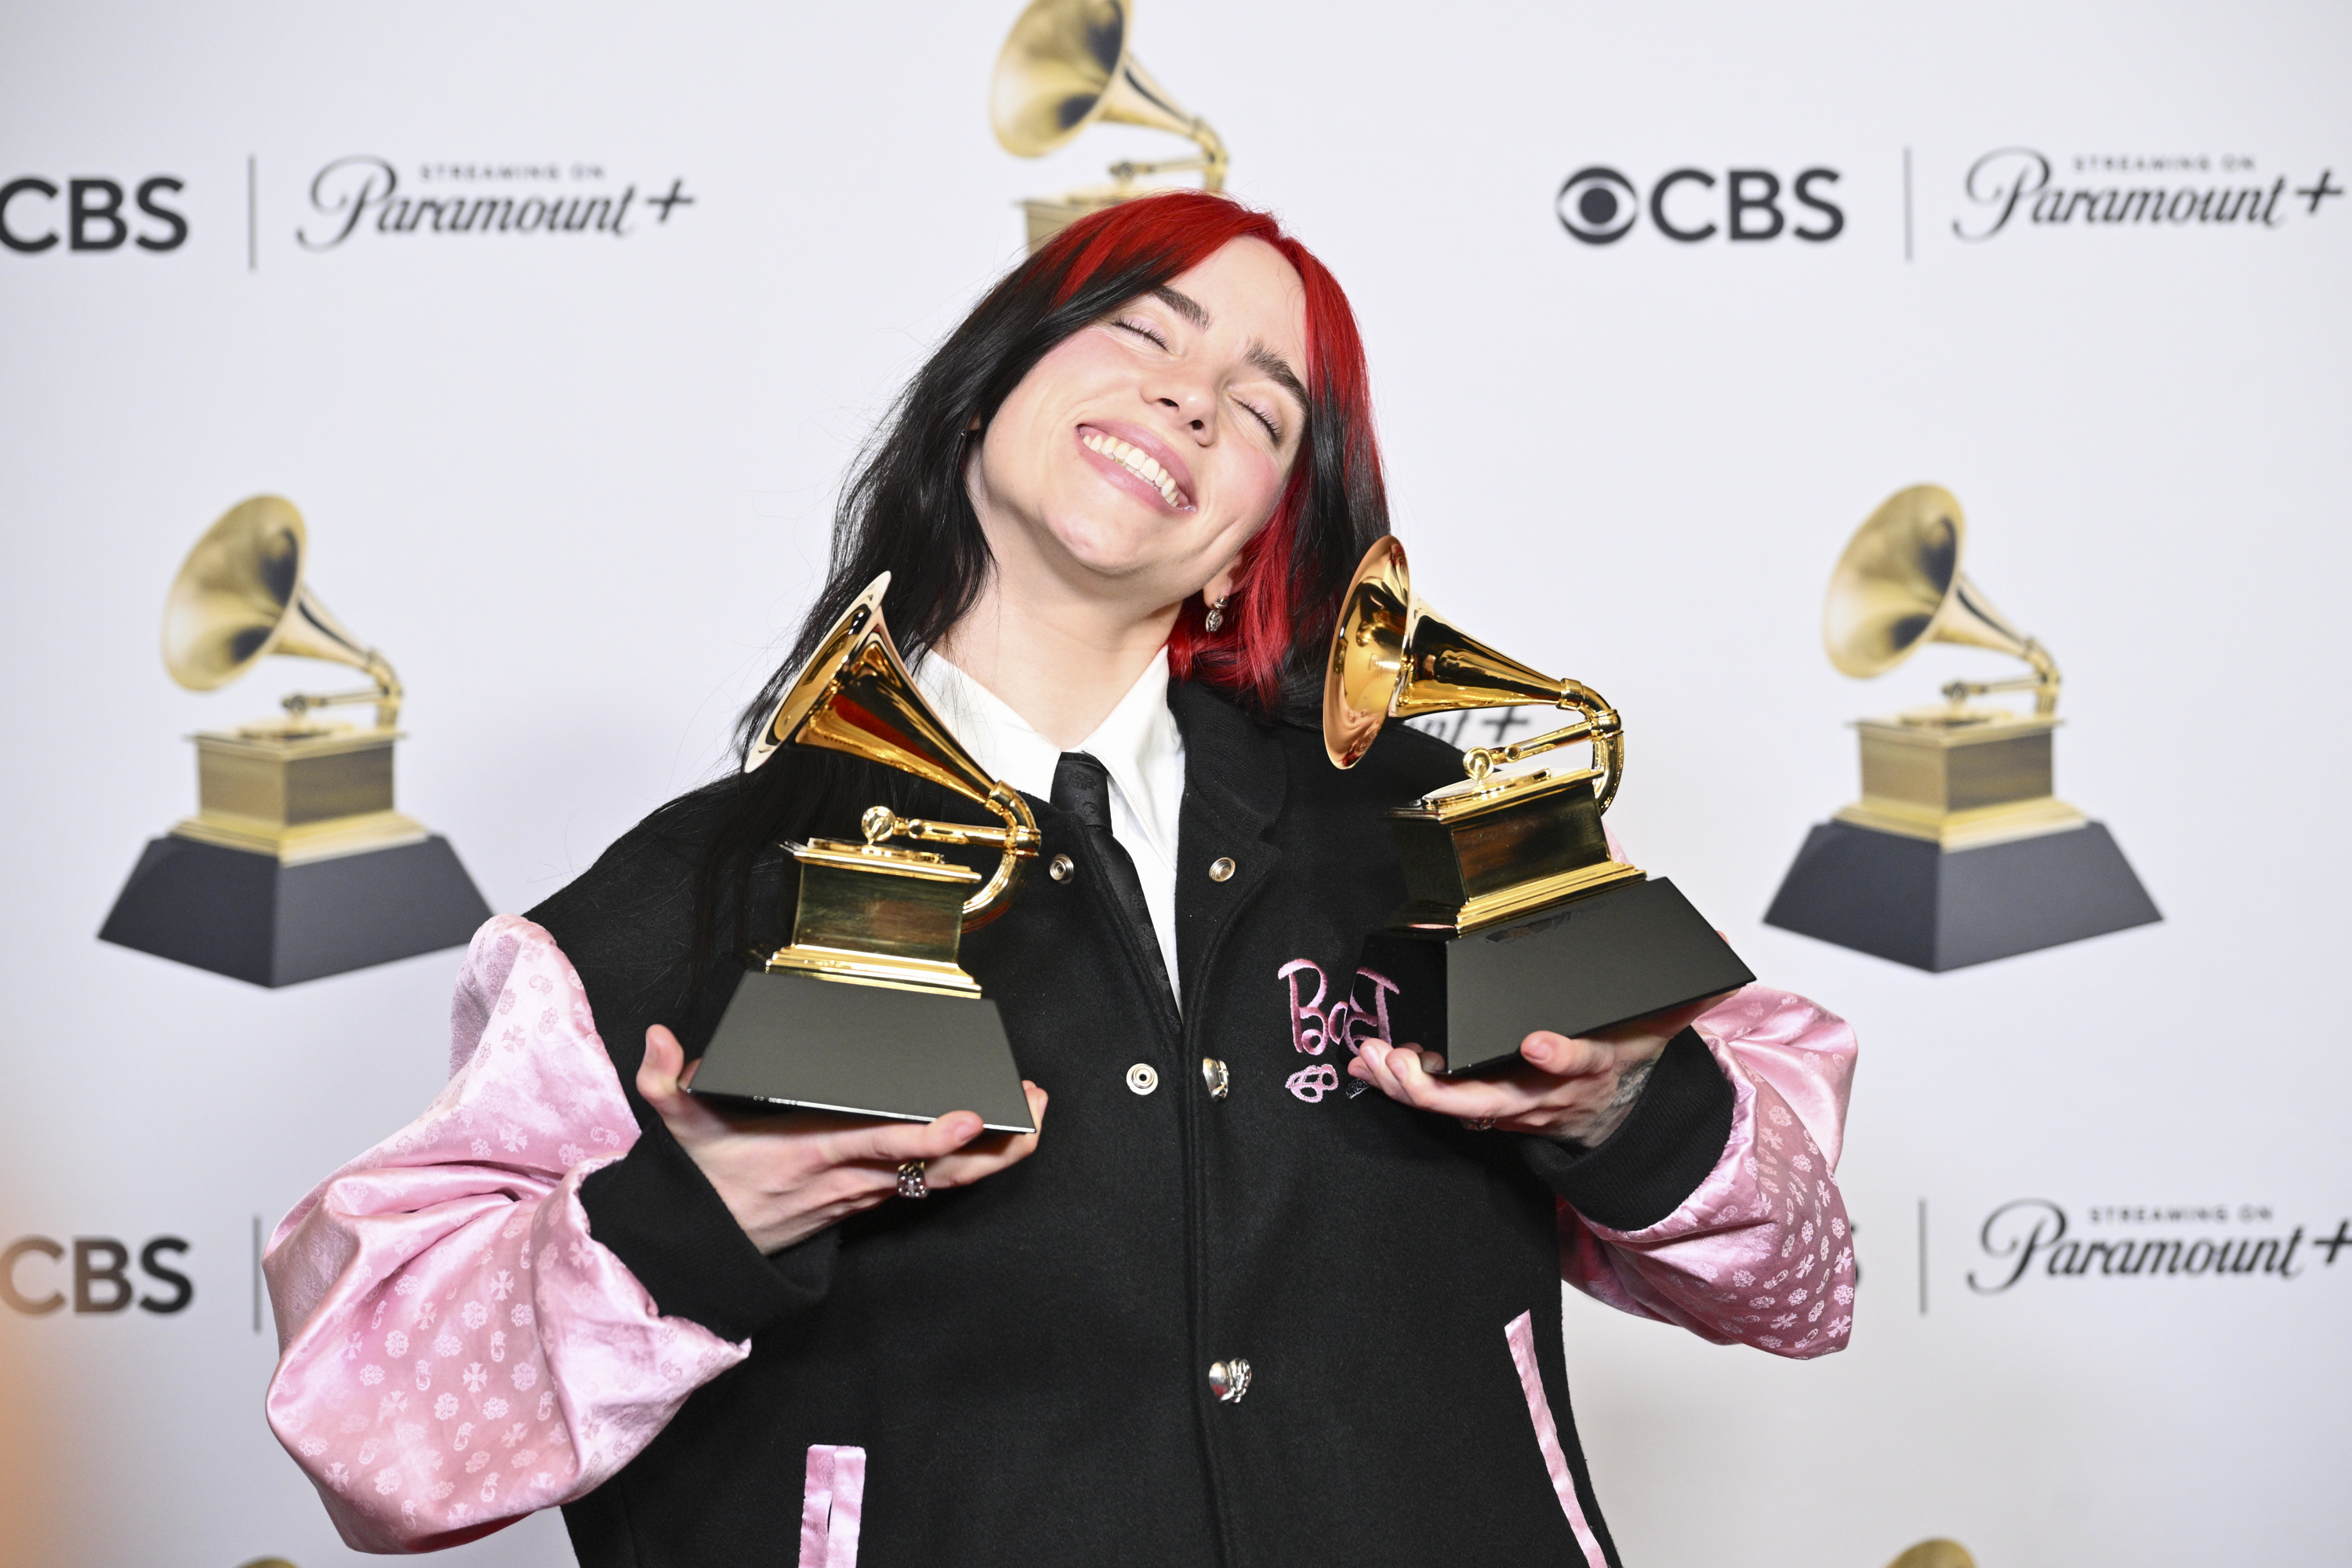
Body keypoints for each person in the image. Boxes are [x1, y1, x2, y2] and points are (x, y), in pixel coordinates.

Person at [263, 191, 1857, 1568]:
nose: (1187, 401)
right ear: (983, 403)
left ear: (1248, 551)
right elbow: (376, 1426)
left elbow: (1801, 1280)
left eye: (1262, 406)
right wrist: (684, 1226)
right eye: (1141, 334)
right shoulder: (672, 905)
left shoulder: (1436, 836)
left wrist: (1629, 1115)